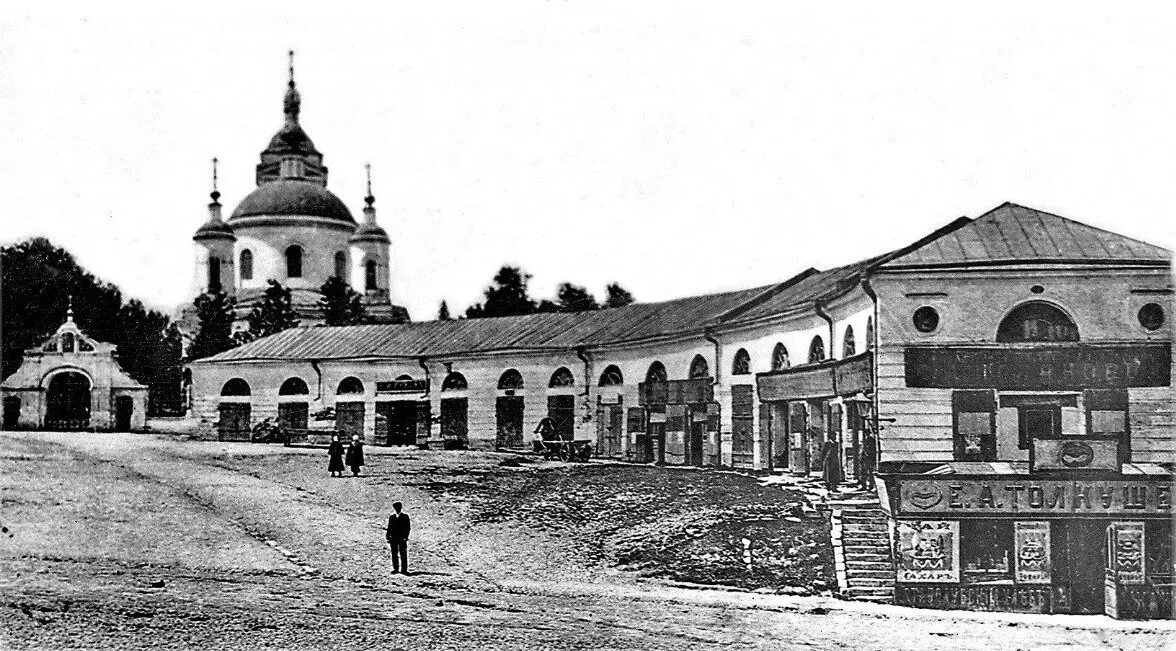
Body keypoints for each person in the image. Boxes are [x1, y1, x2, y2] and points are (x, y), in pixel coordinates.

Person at [386, 501, 411, 574]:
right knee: (394, 554)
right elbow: (389, 528)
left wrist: (406, 537)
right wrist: (388, 537)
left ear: (401, 508)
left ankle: (404, 570)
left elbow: (408, 528)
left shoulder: (405, 516)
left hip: (402, 538)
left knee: (403, 554)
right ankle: (396, 569)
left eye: (398, 507)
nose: (397, 509)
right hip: (393, 538)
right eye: (396, 508)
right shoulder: (392, 517)